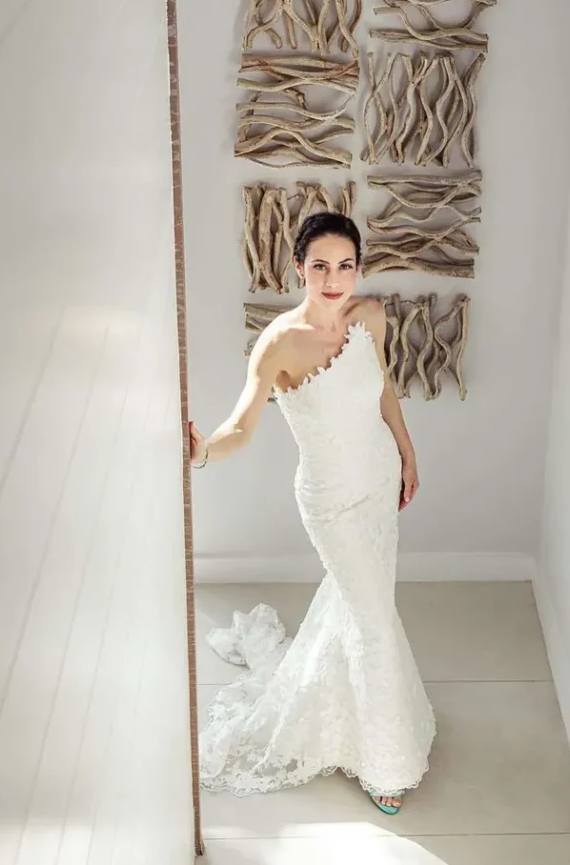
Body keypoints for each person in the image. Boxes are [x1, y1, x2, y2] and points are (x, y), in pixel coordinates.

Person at [189, 212, 435, 815]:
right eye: (320, 266)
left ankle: (368, 718)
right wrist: (200, 451)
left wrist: (406, 451)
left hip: (378, 480)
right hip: (331, 500)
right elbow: (243, 425)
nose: (333, 279)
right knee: (373, 619)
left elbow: (381, 390)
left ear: (358, 268)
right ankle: (386, 761)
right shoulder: (280, 342)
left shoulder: (369, 317)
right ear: (299, 268)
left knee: (366, 607)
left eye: (345, 266)